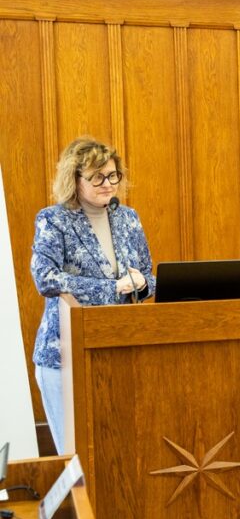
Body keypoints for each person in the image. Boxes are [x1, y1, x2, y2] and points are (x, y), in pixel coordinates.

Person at [31, 137, 155, 453]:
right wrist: (111, 288)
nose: (107, 184)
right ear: (75, 179)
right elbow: (45, 278)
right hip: (64, 355)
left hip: (117, 348)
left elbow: (146, 277)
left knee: (117, 452)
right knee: (75, 457)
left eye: (113, 175)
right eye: (97, 177)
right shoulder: (53, 219)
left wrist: (142, 284)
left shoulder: (128, 218)